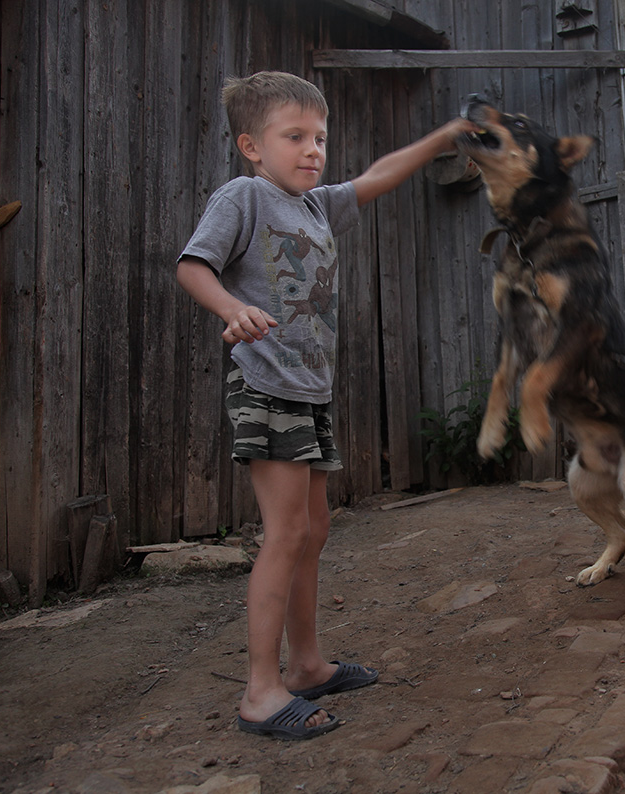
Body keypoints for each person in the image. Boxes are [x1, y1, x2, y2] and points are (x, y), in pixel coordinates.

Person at [177, 70, 475, 740]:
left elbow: (379, 175)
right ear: (252, 146)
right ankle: (260, 692)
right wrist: (232, 307)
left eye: (320, 137)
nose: (313, 149)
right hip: (266, 383)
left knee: (314, 531)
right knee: (284, 535)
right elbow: (193, 265)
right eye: (296, 137)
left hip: (310, 391)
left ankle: (307, 664)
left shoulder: (317, 207)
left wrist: (444, 137)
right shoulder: (245, 196)